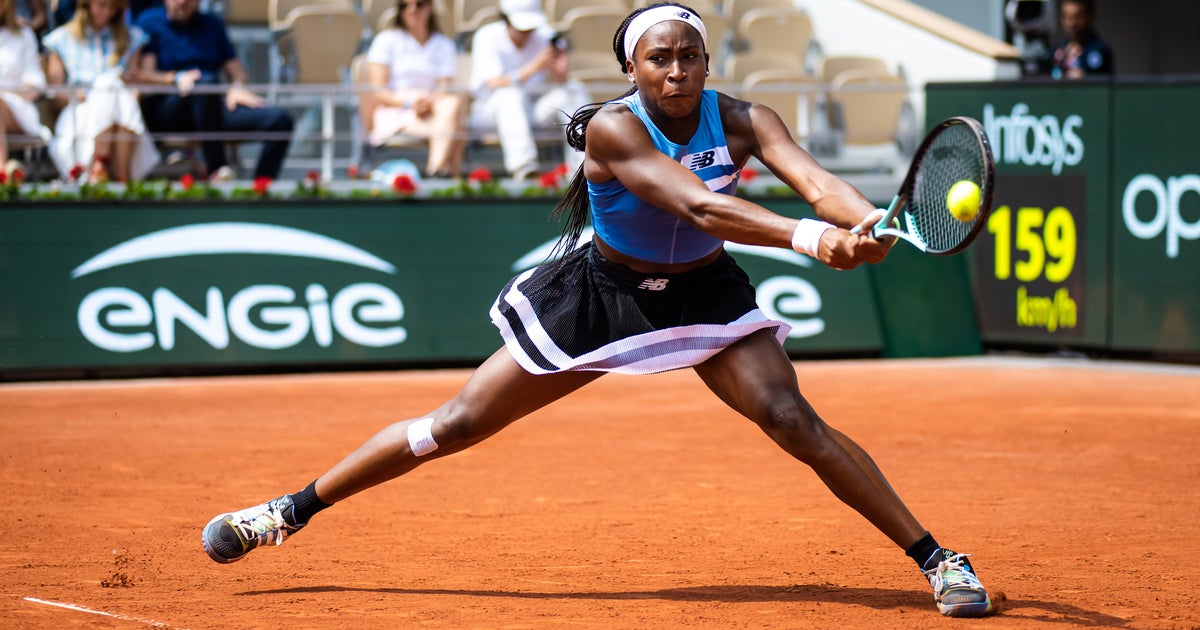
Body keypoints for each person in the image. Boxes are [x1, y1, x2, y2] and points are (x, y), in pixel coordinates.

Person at [200, 2, 996, 619]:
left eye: (690, 56)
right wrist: (812, 239)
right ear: (632, 67)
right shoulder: (615, 129)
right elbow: (699, 207)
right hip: (602, 297)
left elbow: (819, 184)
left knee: (791, 417)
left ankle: (939, 561)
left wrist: (861, 223)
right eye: (660, 59)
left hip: (704, 296)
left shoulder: (747, 118)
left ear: (706, 61)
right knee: (457, 424)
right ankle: (288, 511)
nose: (677, 71)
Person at [134, 0, 293, 181]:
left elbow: (238, 74)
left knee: (279, 121)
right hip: (168, 108)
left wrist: (237, 87)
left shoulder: (212, 24)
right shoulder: (149, 21)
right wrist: (176, 78)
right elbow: (143, 74)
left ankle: (260, 189)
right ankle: (217, 170)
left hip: (211, 106)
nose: (182, 2)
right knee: (205, 84)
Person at [467, 0, 589, 180]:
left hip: (532, 111)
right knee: (510, 94)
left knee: (573, 88)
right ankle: (524, 167)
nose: (527, 32)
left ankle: (583, 166)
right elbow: (494, 83)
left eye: (530, 27)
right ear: (506, 19)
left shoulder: (546, 35)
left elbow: (559, 82)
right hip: (488, 112)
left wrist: (560, 69)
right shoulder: (486, 36)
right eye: (522, 27)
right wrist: (534, 67)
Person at [43, 0, 160, 182]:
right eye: (101, 5)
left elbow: (134, 85)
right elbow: (55, 93)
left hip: (122, 109)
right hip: (80, 111)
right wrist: (79, 96)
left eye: (113, 8)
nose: (107, 12)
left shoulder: (133, 37)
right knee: (108, 85)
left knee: (110, 85)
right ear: (86, 4)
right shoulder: (60, 38)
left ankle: (100, 166)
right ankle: (122, 177)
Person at [363, 0, 467, 178]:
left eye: (419, 4)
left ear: (430, 7)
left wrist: (428, 102)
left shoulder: (443, 44)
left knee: (452, 106)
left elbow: (444, 86)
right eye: (405, 6)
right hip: (396, 110)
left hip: (434, 108)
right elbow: (378, 91)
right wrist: (410, 103)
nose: (412, 11)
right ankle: (444, 177)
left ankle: (435, 171)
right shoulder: (386, 40)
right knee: (456, 125)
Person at [0, 0, 50, 170]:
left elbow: (35, 85)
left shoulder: (24, 35)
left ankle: (1, 174)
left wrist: (5, 92)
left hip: (17, 110)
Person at [1047, 0, 1113, 79]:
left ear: (1091, 16)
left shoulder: (1100, 49)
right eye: (1066, 17)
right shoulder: (1057, 49)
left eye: (1078, 17)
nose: (1071, 23)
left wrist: (1084, 77)